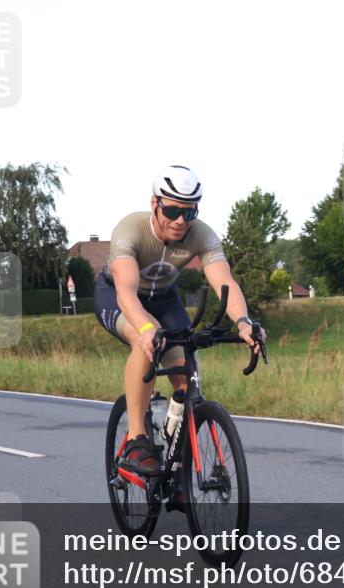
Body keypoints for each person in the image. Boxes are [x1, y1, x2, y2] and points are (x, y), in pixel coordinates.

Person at [94, 165, 265, 485]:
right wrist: (146, 329)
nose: (180, 220)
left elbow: (223, 281)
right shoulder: (130, 230)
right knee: (145, 341)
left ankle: (176, 464)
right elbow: (127, 292)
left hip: (164, 298)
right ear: (154, 204)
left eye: (189, 212)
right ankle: (135, 439)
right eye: (171, 210)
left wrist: (244, 323)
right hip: (118, 296)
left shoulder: (202, 234)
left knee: (186, 379)